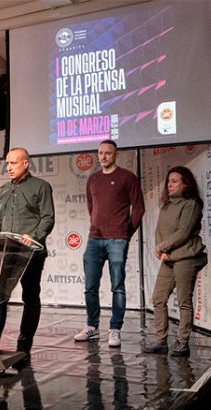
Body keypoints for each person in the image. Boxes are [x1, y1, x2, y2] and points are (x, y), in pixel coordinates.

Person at [0, 147, 55, 366]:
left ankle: (24, 347)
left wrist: (33, 236)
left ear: (25, 164)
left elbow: (48, 218)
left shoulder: (41, 186)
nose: (9, 167)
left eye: (13, 163)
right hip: (7, 250)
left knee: (30, 297)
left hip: (31, 252)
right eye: (7, 163)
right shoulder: (5, 189)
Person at [74, 139, 145, 348]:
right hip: (94, 239)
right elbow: (92, 207)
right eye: (100, 153)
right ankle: (92, 326)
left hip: (117, 239)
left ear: (116, 155)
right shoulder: (93, 179)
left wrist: (125, 233)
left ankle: (115, 329)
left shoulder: (127, 177)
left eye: (108, 153)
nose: (103, 156)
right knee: (90, 287)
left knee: (117, 287)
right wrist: (97, 225)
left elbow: (138, 208)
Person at [143, 166, 207, 356]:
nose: (169, 185)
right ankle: (161, 341)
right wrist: (160, 248)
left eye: (174, 181)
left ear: (185, 184)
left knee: (183, 301)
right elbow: (159, 230)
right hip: (168, 258)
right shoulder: (167, 205)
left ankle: (182, 342)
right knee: (158, 298)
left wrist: (163, 247)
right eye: (168, 181)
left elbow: (184, 232)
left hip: (186, 257)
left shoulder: (191, 204)